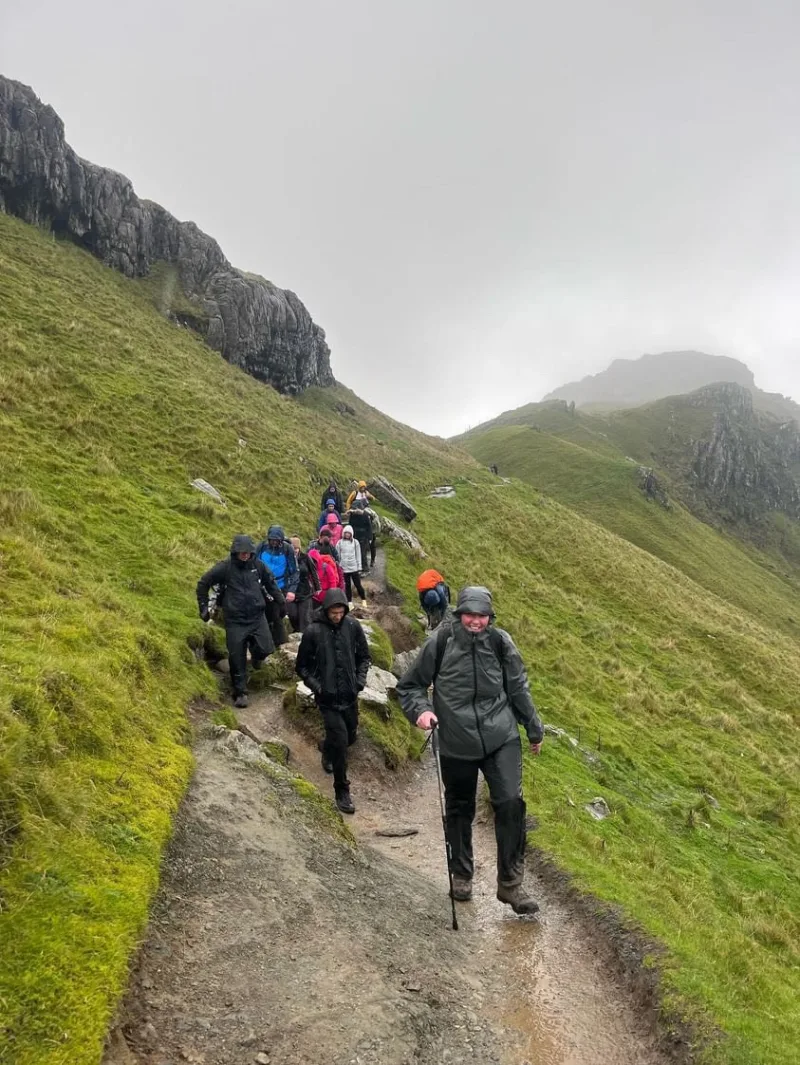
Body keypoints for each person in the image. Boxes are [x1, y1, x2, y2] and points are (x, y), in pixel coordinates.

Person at [397, 586, 544, 915]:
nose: (475, 621)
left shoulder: (500, 642)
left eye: (481, 616)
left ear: (489, 618)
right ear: (459, 614)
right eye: (469, 615)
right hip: (455, 739)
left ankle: (511, 884)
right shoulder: (442, 642)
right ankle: (461, 875)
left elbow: (518, 686)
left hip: (501, 736)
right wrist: (421, 711)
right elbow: (410, 686)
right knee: (460, 807)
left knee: (510, 803)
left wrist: (533, 728)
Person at [295, 588, 371, 814]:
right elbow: (302, 666)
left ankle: (326, 749)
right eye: (333, 612)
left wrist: (359, 681)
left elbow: (364, 657)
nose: (337, 616)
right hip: (327, 699)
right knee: (340, 741)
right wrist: (318, 687)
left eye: (341, 612)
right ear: (326, 610)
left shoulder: (352, 626)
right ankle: (341, 790)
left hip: (350, 695)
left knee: (350, 736)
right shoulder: (313, 631)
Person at [196, 535, 285, 709]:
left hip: (257, 616)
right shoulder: (225, 568)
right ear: (235, 552)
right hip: (235, 620)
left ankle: (256, 655)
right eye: (241, 553)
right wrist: (203, 606)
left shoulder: (258, 566)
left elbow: (271, 583)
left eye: (248, 552)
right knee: (237, 658)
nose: (245, 555)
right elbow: (203, 583)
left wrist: (280, 602)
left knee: (266, 648)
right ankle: (240, 692)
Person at [255, 525, 298, 647]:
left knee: (276, 613)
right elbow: (253, 563)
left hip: (280, 586)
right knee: (261, 612)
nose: (274, 542)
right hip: (261, 585)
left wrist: (292, 590)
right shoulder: (262, 547)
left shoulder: (287, 549)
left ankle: (281, 643)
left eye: (276, 540)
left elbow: (294, 570)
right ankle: (262, 641)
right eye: (271, 539)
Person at [288, 535, 320, 633]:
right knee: (293, 615)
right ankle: (296, 630)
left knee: (304, 617)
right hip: (291, 592)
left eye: (297, 548)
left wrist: (317, 587)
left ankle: (304, 636)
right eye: (293, 548)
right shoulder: (286, 559)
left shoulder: (306, 558)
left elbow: (313, 572)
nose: (295, 550)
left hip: (305, 591)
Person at [338, 524, 367, 607]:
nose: (347, 534)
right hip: (344, 568)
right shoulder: (339, 543)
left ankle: (363, 599)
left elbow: (358, 555)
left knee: (358, 585)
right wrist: (339, 566)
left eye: (349, 533)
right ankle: (349, 602)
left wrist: (359, 566)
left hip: (354, 568)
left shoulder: (355, 542)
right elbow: (338, 555)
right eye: (346, 533)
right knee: (347, 586)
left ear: (351, 534)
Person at [348, 503, 373, 579]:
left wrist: (369, 538)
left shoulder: (365, 515)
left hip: (363, 537)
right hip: (355, 536)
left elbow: (369, 527)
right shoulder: (353, 515)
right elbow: (350, 524)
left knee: (362, 553)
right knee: (355, 552)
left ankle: (365, 569)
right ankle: (357, 568)